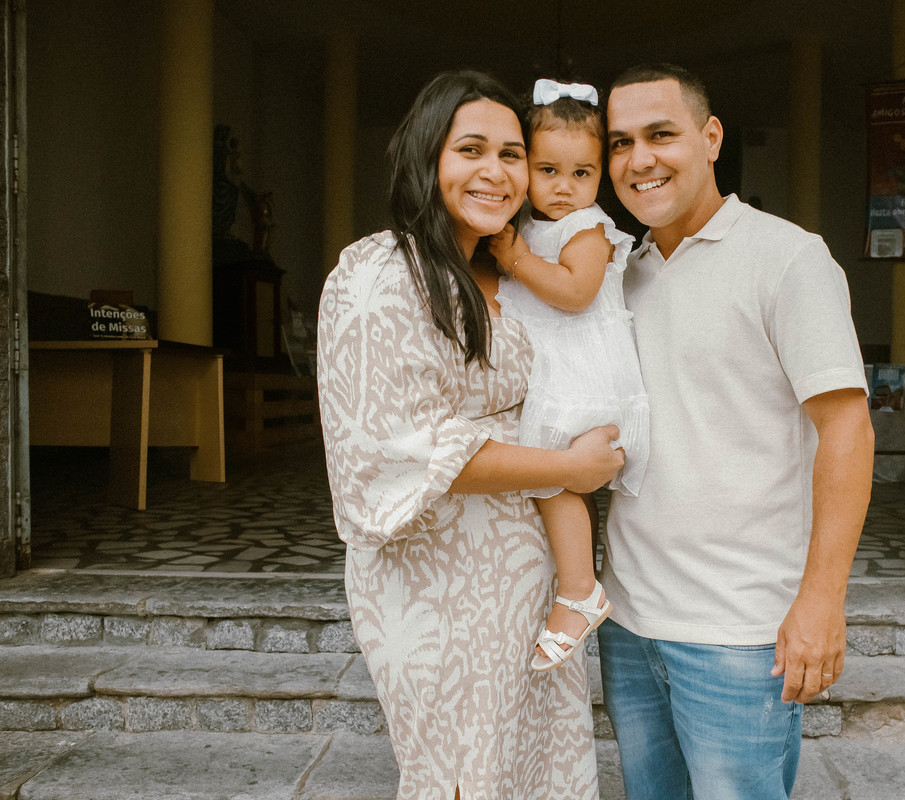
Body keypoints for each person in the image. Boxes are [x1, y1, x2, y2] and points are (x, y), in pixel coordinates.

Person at [317, 69, 624, 800]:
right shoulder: (380, 272)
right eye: (471, 150)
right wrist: (566, 468)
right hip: (433, 580)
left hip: (528, 581)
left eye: (512, 154)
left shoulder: (512, 271)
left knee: (538, 771)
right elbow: (397, 446)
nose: (496, 171)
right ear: (428, 157)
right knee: (459, 777)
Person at [598, 63, 875, 800]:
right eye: (620, 142)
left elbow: (847, 428)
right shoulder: (618, 272)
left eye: (661, 134)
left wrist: (822, 599)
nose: (639, 159)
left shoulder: (786, 257)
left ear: (711, 137)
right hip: (628, 621)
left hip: (741, 630)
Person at [487, 78, 649, 672]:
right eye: (548, 170)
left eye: (582, 173)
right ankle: (574, 583)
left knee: (554, 476)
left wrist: (517, 260)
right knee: (555, 481)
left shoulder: (586, 228)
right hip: (562, 371)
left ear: (601, 175)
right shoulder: (533, 228)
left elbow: (577, 293)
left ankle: (580, 590)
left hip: (587, 373)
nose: (564, 186)